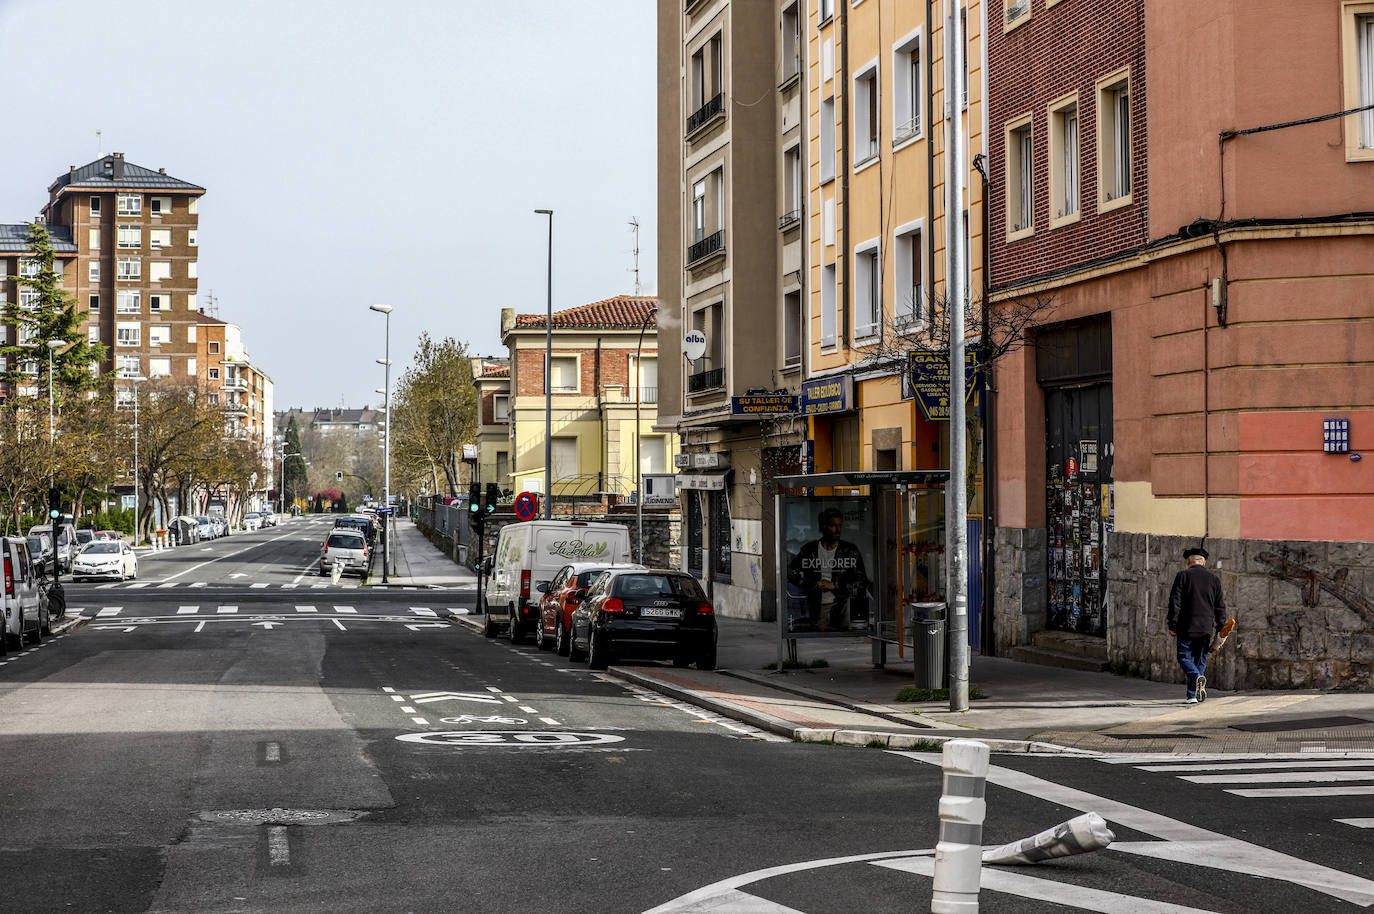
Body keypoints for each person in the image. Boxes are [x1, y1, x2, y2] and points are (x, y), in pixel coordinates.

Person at [788, 508, 869, 632]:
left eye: (840, 525)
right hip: (819, 606)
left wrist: (835, 585)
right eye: (833, 525)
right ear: (822, 527)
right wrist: (804, 584)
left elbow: (862, 582)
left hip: (843, 605)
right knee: (821, 631)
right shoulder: (809, 550)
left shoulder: (850, 550)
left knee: (843, 630)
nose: (838, 530)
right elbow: (790, 569)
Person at [1167, 546, 1228, 704]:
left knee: (1184, 657)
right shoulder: (1214, 579)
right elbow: (1220, 606)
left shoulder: (1183, 576)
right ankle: (1192, 695)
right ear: (1204, 562)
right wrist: (1221, 628)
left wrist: (1172, 624)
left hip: (1186, 626)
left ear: (1189, 562)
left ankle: (1196, 678)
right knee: (1200, 660)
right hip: (1205, 627)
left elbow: (1175, 602)